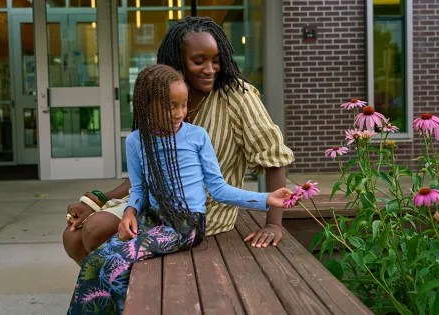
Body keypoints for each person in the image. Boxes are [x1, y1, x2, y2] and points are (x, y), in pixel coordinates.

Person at [63, 16, 295, 266]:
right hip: (154, 204)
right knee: (72, 237)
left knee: (95, 229)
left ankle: (123, 293)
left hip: (199, 211)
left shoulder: (237, 96)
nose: (210, 69)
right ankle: (114, 297)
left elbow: (273, 157)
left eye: (216, 60)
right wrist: (100, 198)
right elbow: (149, 171)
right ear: (177, 61)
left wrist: (273, 224)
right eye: (199, 61)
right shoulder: (163, 97)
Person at [67, 64, 292, 314]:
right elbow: (139, 189)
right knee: (94, 261)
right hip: (152, 219)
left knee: (116, 262)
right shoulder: (135, 141)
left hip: (186, 226)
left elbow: (219, 189)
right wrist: (129, 212)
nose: (180, 113)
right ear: (147, 105)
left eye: (184, 104)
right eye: (171, 106)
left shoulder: (197, 137)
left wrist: (266, 199)